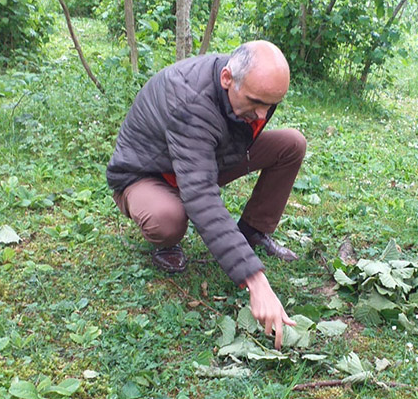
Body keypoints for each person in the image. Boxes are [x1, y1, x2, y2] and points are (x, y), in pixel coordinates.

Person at [106, 40, 306, 349]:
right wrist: (255, 280)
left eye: (271, 104)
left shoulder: (252, 88)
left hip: (203, 158)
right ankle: (165, 243)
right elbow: (200, 194)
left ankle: (253, 231)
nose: (263, 114)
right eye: (256, 102)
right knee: (169, 218)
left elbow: (213, 159)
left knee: (291, 144)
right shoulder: (189, 100)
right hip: (147, 172)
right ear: (227, 79)